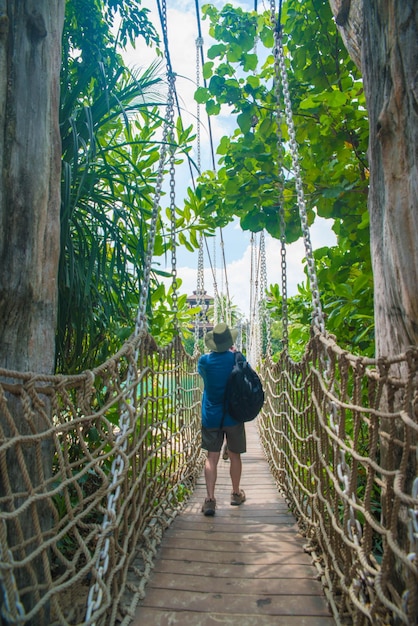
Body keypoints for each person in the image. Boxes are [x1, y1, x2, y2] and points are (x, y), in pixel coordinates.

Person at [198, 322, 247, 516]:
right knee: (235, 455)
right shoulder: (237, 358)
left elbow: (205, 376)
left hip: (211, 416)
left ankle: (210, 500)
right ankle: (236, 494)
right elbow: (246, 374)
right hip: (233, 416)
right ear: (229, 341)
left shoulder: (204, 361)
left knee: (212, 457)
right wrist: (234, 355)